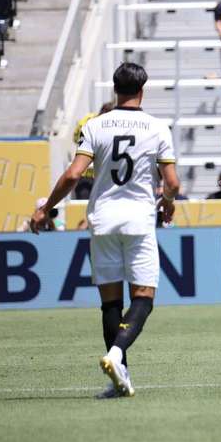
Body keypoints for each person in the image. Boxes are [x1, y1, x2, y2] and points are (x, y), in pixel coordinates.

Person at [30, 62, 180, 399]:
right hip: (139, 220)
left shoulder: (95, 125)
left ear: (115, 89)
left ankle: (120, 376)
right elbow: (171, 182)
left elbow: (72, 175)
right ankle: (115, 356)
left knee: (110, 302)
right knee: (143, 297)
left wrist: (45, 208)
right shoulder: (156, 127)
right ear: (143, 89)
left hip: (102, 220)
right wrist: (168, 203)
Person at [73, 102, 114, 200]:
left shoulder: (87, 120)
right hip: (100, 175)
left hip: (86, 174)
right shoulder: (108, 126)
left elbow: (75, 138)